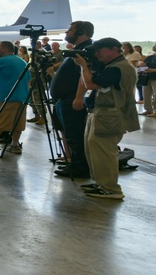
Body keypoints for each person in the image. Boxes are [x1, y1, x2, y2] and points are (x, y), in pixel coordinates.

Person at [75, 38, 139, 199]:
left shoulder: (119, 68)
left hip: (110, 115)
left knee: (104, 151)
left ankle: (111, 188)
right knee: (94, 150)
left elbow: (90, 84)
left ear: (114, 49)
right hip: (101, 113)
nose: (96, 54)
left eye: (99, 50)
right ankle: (101, 183)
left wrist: (84, 66)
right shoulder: (112, 66)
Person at [50, 21, 94, 178]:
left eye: (70, 30)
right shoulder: (76, 50)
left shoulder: (86, 51)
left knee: (75, 136)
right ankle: (73, 161)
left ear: (81, 32)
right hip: (63, 100)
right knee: (68, 133)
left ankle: (80, 167)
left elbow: (82, 77)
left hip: (71, 100)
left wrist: (78, 97)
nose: (66, 33)